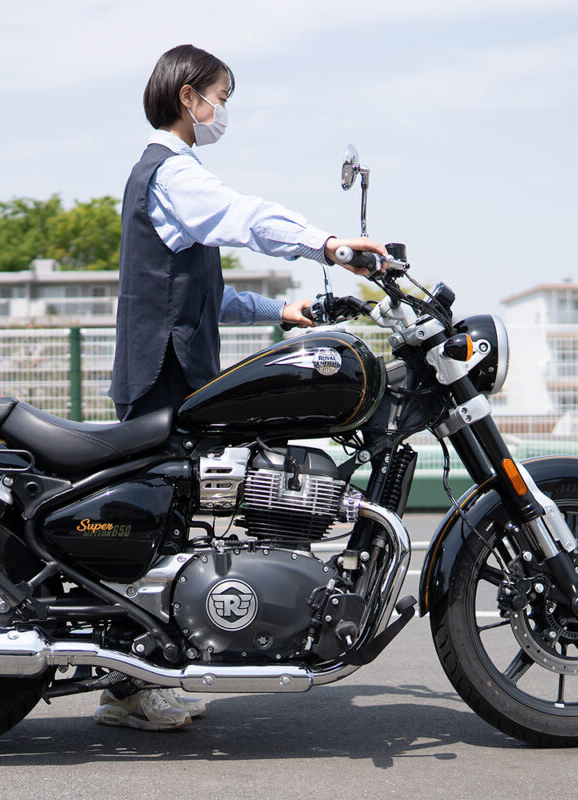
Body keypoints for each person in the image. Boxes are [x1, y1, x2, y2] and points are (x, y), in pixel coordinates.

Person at [98, 44, 387, 731]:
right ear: (188, 96)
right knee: (152, 531)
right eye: (220, 97)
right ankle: (127, 687)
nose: (223, 110)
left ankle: (136, 679)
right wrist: (329, 246)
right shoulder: (173, 173)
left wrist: (283, 312)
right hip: (163, 376)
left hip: (169, 372)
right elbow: (248, 218)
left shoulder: (165, 176)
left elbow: (207, 298)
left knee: (171, 524)